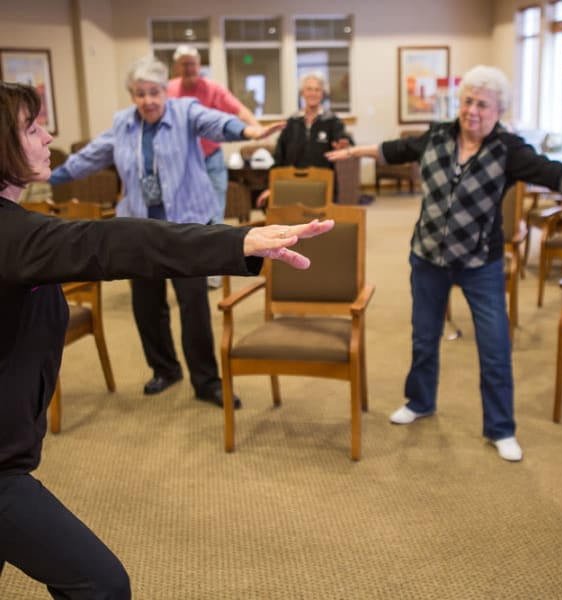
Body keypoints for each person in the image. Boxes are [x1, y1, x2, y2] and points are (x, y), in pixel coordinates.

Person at [0, 81, 333, 598]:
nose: (48, 137)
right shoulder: (14, 236)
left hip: (11, 452)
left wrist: (245, 138)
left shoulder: (18, 230)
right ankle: (166, 367)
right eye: (32, 127)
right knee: (100, 583)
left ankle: (200, 376)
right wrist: (236, 239)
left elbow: (212, 125)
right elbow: (113, 240)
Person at [326, 64, 562, 462]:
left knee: (494, 348)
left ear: (498, 111)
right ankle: (419, 401)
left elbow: (554, 172)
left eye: (483, 105)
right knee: (424, 338)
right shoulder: (438, 134)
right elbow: (393, 150)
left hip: (480, 264)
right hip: (427, 258)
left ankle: (501, 428)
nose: (473, 110)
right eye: (468, 101)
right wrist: (352, 151)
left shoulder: (509, 149)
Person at [49, 56, 284, 408]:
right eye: (140, 93)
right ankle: (164, 368)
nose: (148, 100)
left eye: (154, 92)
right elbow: (92, 155)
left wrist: (247, 131)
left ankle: (206, 381)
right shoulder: (122, 124)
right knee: (146, 305)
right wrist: (49, 176)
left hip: (186, 225)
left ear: (165, 90)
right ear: (132, 95)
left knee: (193, 306)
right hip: (139, 229)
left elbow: (215, 122)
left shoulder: (185, 111)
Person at [167, 45, 261, 288]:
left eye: (193, 64)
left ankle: (214, 270)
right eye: (184, 64)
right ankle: (186, 267)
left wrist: (255, 128)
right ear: (177, 67)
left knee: (214, 213)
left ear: (199, 65)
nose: (189, 68)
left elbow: (238, 109)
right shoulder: (170, 89)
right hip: (183, 162)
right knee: (185, 217)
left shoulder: (212, 89)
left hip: (211, 159)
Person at [256, 71, 353, 206]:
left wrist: (344, 146)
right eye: (309, 89)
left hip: (323, 185)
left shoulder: (333, 121)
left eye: (317, 89)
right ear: (302, 93)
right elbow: (279, 158)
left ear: (322, 94)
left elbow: (344, 142)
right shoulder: (291, 122)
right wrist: (271, 187)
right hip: (293, 185)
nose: (313, 93)